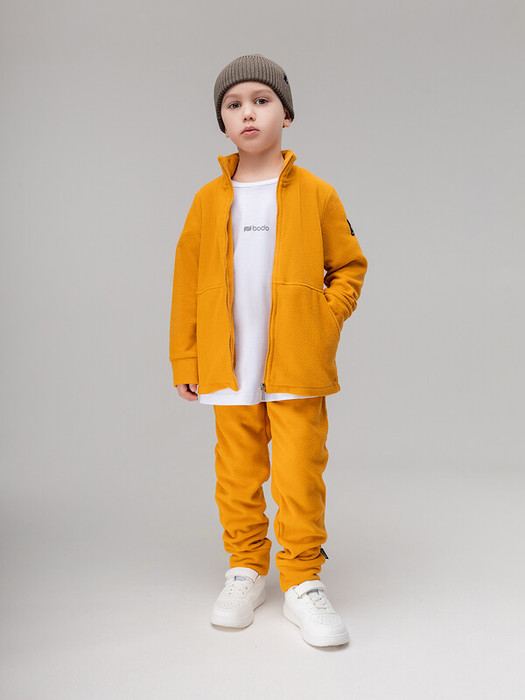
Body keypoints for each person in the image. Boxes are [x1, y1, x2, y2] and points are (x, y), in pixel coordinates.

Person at [169, 54, 368, 648]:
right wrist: (187, 359)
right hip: (228, 364)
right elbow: (185, 285)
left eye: (261, 100)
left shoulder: (317, 193)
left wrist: (324, 320)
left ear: (286, 113)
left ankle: (303, 580)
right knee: (236, 473)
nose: (248, 113)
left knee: (300, 474)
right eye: (234, 105)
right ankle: (246, 568)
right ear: (223, 122)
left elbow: (350, 267)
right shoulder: (207, 200)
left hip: (297, 363)